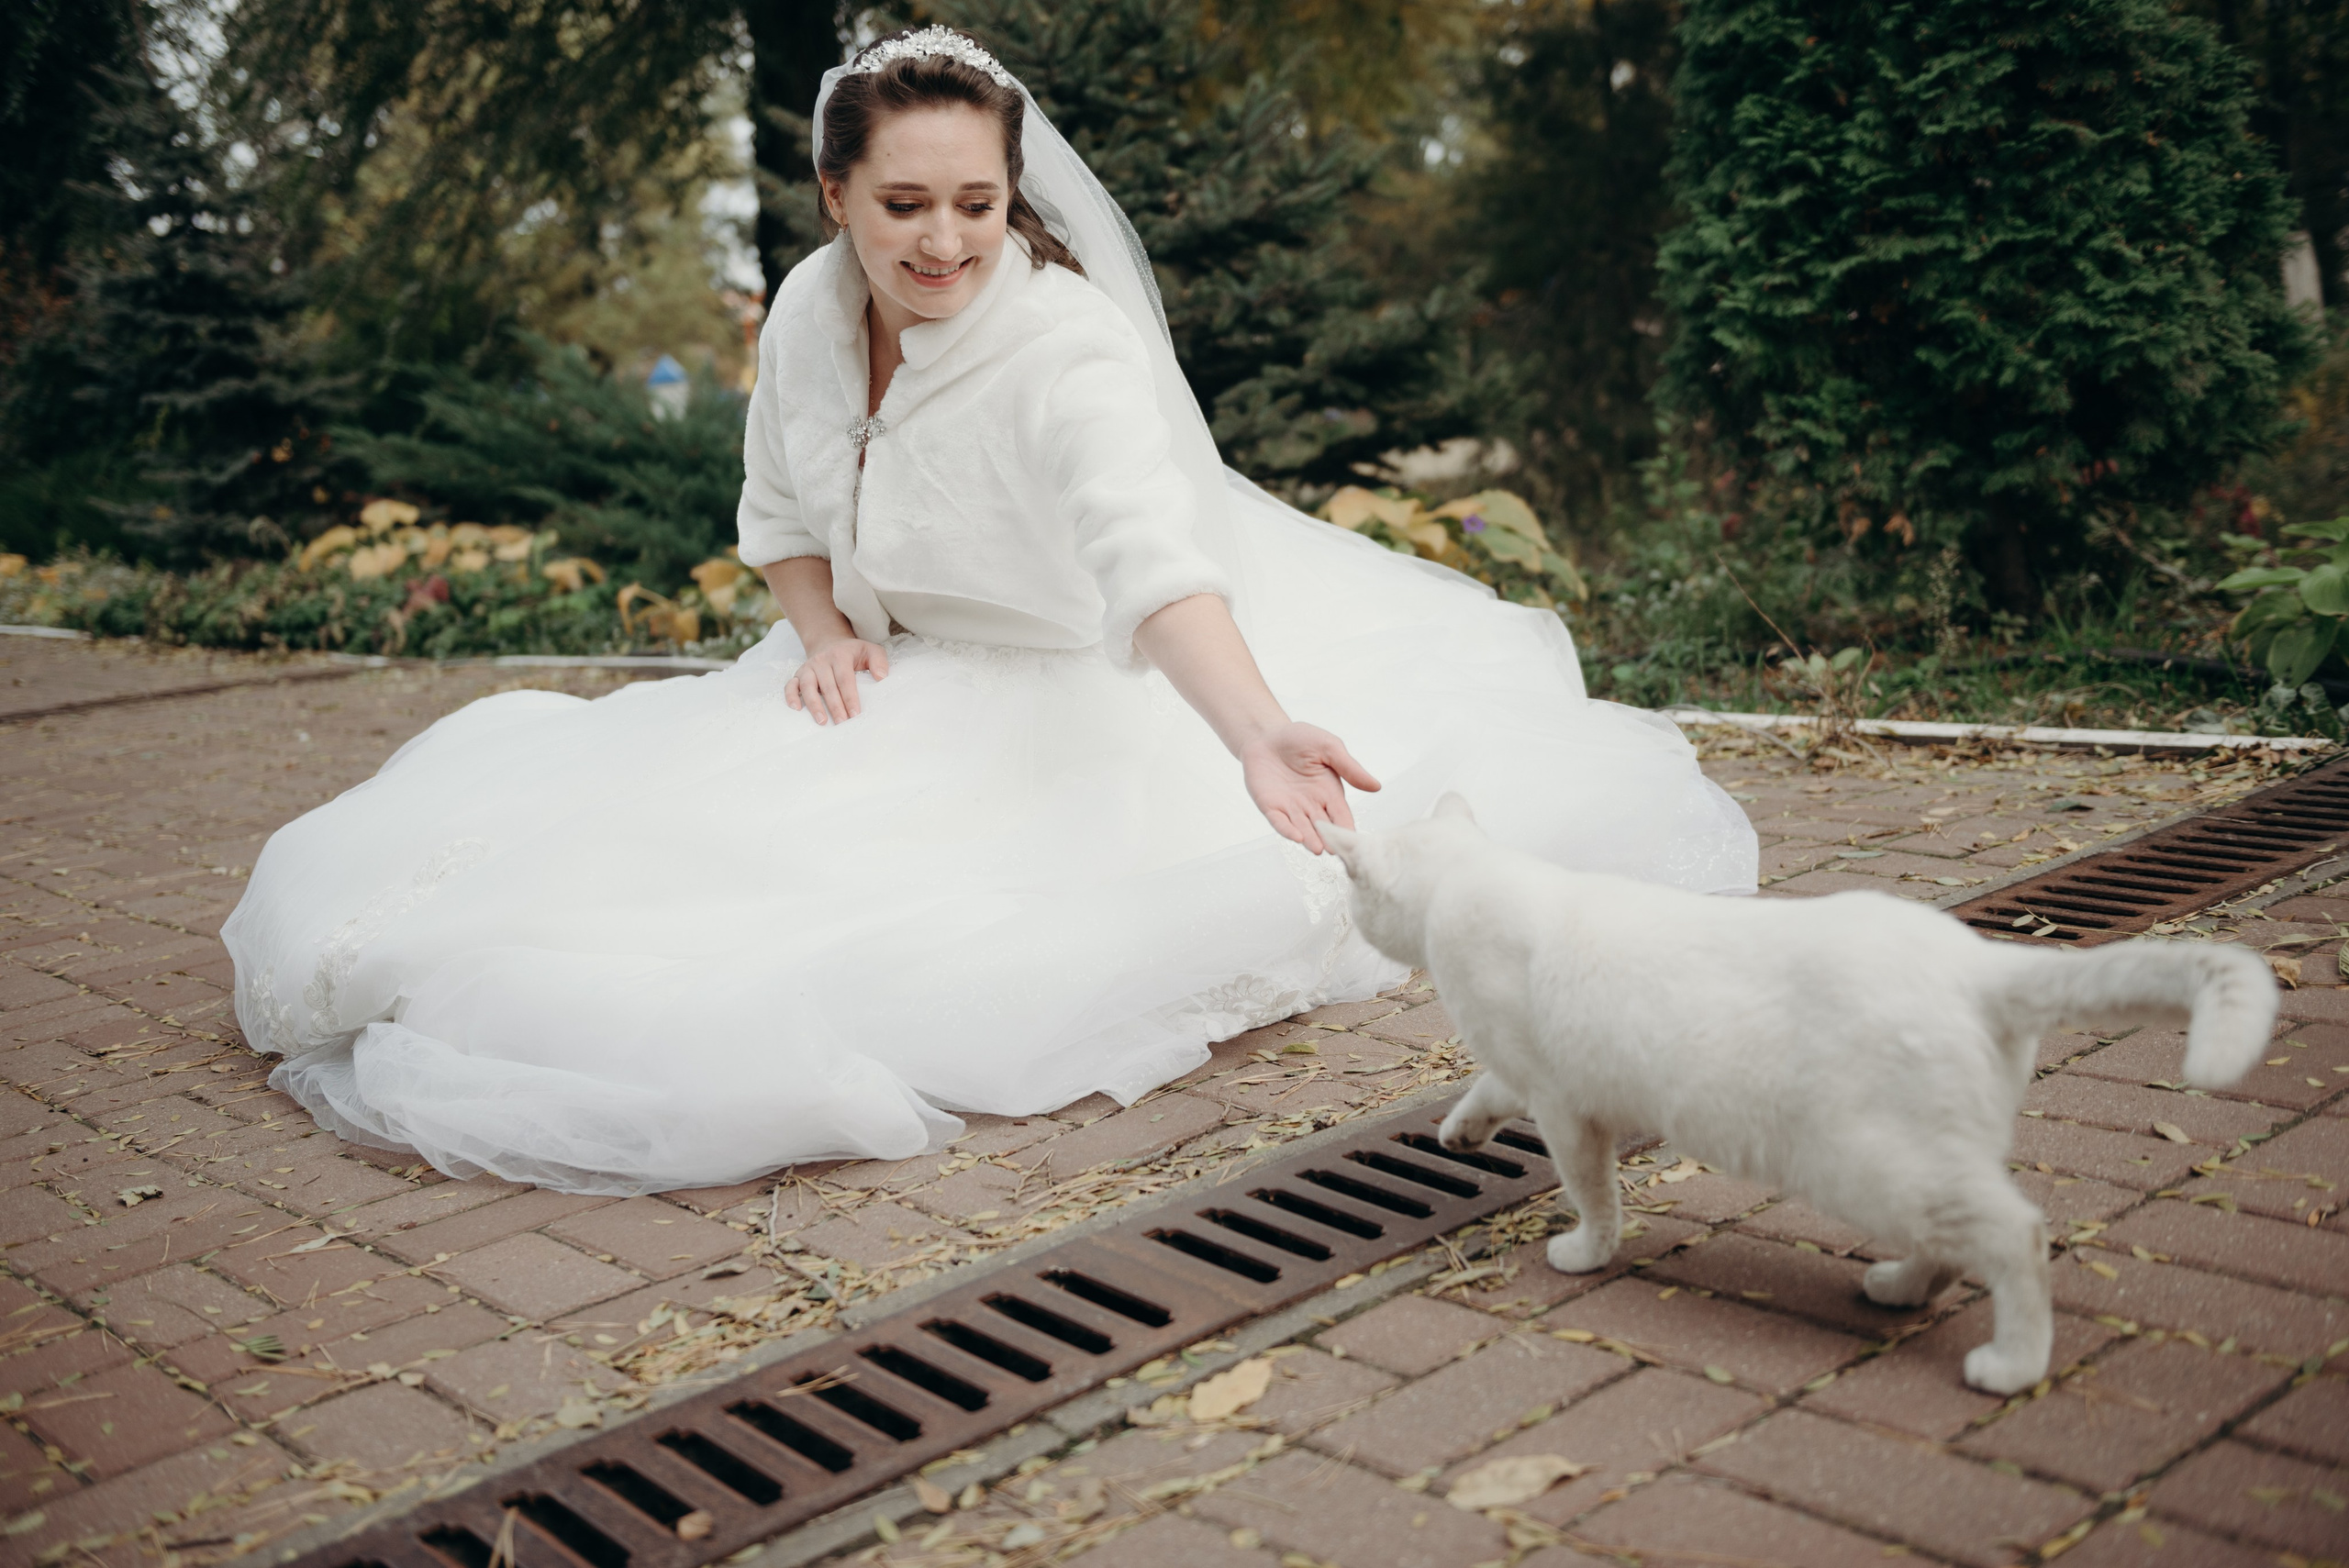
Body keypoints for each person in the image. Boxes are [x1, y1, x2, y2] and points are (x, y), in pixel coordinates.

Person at [222, 28, 1757, 1197]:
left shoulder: (1067, 353)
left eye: (977, 201)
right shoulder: (810, 319)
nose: (943, 240)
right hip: (879, 666)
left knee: (822, 944)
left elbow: (1150, 559)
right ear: (834, 195)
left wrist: (1254, 729)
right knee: (603, 857)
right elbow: (774, 520)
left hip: (1064, 683)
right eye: (902, 204)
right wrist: (820, 634)